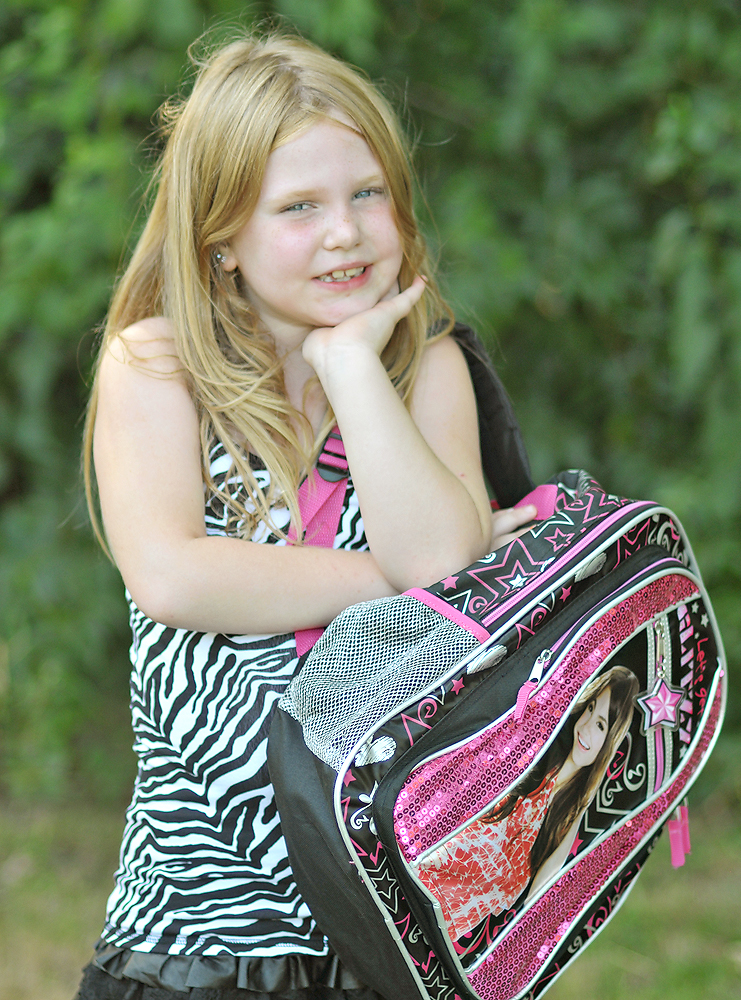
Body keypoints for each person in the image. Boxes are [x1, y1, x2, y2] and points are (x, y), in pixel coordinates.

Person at [75, 29, 536, 1000]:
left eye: (368, 193)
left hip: (398, 933)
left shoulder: (424, 368)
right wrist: (401, 590)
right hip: (194, 934)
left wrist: (351, 367)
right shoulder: (157, 367)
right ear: (221, 238)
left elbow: (439, 555)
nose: (346, 232)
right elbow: (173, 574)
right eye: (299, 207)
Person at [414, 666, 639, 943]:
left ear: (610, 743)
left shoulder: (566, 814)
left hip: (442, 932)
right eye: (590, 708)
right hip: (422, 877)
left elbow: (535, 902)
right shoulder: (536, 760)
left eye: (601, 725)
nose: (586, 725)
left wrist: (586, 797)